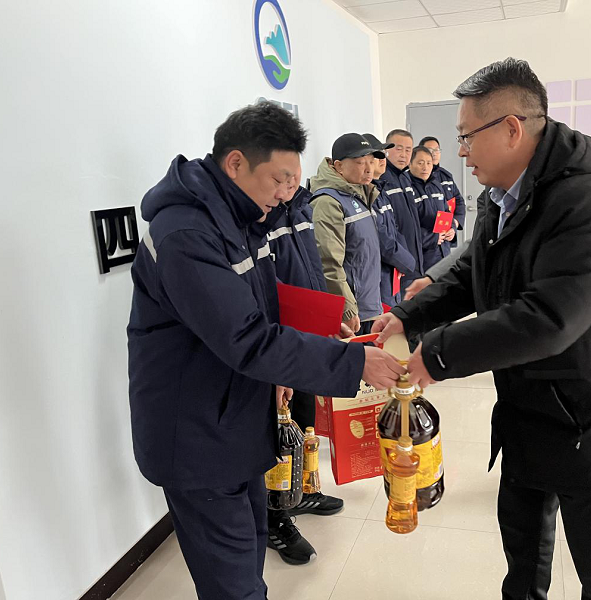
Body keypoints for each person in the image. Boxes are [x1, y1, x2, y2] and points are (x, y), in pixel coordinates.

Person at [373, 58, 591, 600]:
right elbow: (472, 271)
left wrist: (437, 354)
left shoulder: (589, 202)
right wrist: (410, 315)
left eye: (466, 136)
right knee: (523, 561)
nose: (460, 151)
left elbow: (549, 317)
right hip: (528, 409)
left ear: (511, 129)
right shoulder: (501, 193)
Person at [127, 102, 405, 600]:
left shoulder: (239, 216)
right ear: (235, 163)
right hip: (197, 435)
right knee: (233, 581)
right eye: (280, 179)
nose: (288, 193)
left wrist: (320, 327)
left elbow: (261, 300)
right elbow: (246, 337)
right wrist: (355, 362)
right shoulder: (187, 234)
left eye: (294, 180)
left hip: (236, 415)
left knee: (250, 552)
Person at [255, 172, 346, 565]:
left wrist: (328, 319)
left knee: (304, 422)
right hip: (277, 342)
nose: (291, 182)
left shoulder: (302, 207)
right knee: (277, 434)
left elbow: (313, 270)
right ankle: (274, 517)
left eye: (295, 173)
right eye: (282, 174)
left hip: (307, 334)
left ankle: (303, 490)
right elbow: (265, 292)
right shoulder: (258, 217)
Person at [310, 133, 384, 335]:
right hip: (353, 313)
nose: (369, 168)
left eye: (371, 161)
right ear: (339, 166)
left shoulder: (360, 193)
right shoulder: (328, 202)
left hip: (369, 306)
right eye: (360, 162)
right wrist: (347, 308)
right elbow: (328, 262)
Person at [363, 133, 416, 307]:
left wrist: (405, 260)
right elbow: (382, 239)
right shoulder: (365, 195)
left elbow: (394, 228)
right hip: (380, 274)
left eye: (382, 155)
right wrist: (407, 262)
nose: (382, 160)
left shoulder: (380, 190)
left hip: (394, 270)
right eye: (376, 156)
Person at [380, 129, 424, 290]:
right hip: (398, 263)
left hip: (413, 258)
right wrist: (404, 260)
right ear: (386, 149)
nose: (404, 155)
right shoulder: (382, 179)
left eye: (408, 150)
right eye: (398, 149)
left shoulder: (405, 177)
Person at [408, 146, 454, 271]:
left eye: (429, 163)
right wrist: (432, 238)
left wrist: (452, 229)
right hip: (423, 256)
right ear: (410, 164)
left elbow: (446, 211)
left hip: (443, 251)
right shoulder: (407, 189)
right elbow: (407, 226)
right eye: (420, 163)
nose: (425, 167)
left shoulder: (436, 184)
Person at [419, 135, 466, 245]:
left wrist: (455, 223)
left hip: (446, 235)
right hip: (426, 239)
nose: (434, 153)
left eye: (437, 150)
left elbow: (459, 201)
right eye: (430, 150)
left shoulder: (446, 176)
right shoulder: (417, 177)